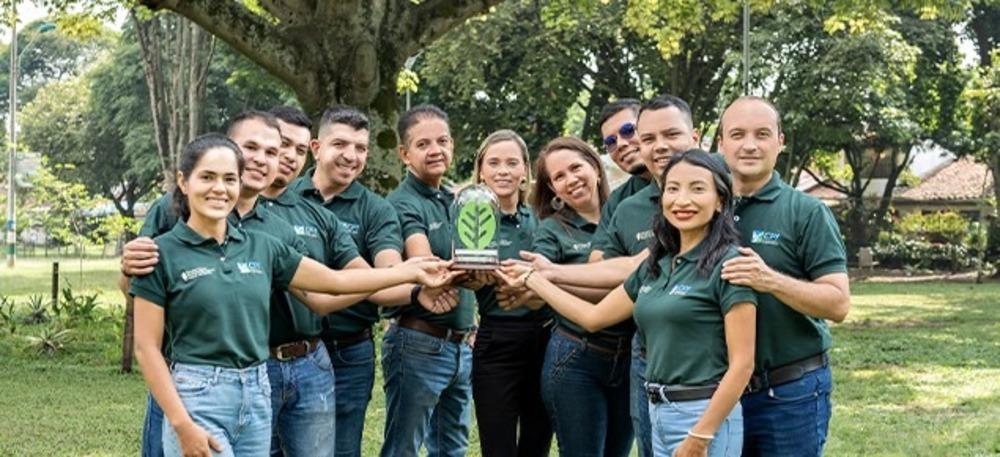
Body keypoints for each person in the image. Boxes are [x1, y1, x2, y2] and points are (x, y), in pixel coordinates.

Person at [130, 133, 457, 457]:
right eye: (207, 177)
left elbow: (332, 282)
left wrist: (413, 272)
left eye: (230, 178)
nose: (220, 188)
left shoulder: (262, 245)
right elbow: (146, 348)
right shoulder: (161, 253)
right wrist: (182, 424)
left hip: (256, 392)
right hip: (198, 393)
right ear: (183, 182)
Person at [499, 149, 757, 457]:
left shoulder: (730, 264)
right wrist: (534, 278)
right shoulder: (657, 264)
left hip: (702, 415)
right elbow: (593, 317)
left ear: (720, 201)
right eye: (672, 189)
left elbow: (743, 365)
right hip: (658, 413)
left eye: (697, 188)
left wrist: (701, 435)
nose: (682, 200)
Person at [259, 106, 458, 456]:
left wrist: (413, 290)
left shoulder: (374, 210)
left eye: (361, 148)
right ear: (317, 149)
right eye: (340, 144)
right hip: (273, 351)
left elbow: (382, 271)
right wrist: (412, 283)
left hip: (349, 350)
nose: (351, 156)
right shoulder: (277, 201)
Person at [514, 95, 702, 456]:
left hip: (665, 359)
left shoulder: (702, 191)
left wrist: (549, 277)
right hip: (588, 352)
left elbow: (640, 265)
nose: (624, 144)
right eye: (611, 141)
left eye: (631, 131)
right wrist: (540, 279)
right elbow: (603, 279)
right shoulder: (625, 206)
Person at [716, 96, 850, 456]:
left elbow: (838, 304)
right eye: (737, 134)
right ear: (720, 144)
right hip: (716, 395)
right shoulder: (704, 209)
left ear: (780, 141)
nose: (749, 145)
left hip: (790, 393)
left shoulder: (806, 212)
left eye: (762, 134)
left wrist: (769, 279)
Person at [521, 136, 632, 457]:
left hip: (629, 359)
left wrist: (556, 278)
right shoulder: (552, 230)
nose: (570, 180)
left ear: (596, 168)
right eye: (558, 177)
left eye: (575, 168)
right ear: (553, 190)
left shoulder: (626, 214)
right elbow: (536, 279)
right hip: (576, 357)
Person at [381, 104, 475, 457]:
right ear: (404, 154)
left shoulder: (458, 199)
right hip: (419, 343)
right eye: (423, 145)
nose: (435, 150)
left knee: (453, 448)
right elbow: (424, 261)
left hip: (459, 346)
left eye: (443, 141)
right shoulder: (401, 202)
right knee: (403, 449)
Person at [462, 130, 552, 456]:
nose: (503, 170)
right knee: (497, 445)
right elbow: (465, 278)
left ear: (525, 171)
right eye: (494, 163)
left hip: (544, 337)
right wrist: (475, 278)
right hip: (496, 340)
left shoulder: (543, 219)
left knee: (537, 441)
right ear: (481, 170)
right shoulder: (470, 218)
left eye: (512, 163)